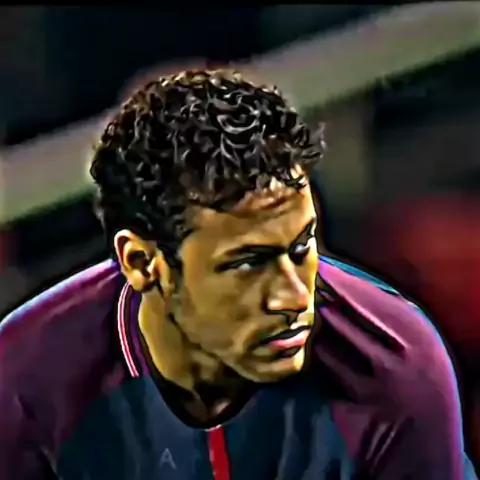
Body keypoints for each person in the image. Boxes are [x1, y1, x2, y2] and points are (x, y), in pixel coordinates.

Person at [0, 70, 475, 480]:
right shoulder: (23, 385)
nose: (294, 297)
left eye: (301, 247)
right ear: (142, 263)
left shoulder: (396, 365)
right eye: (247, 263)